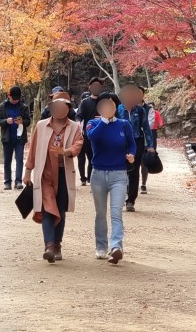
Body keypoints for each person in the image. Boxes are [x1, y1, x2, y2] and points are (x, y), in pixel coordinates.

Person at [24, 91, 84, 263]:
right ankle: (49, 246)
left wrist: (65, 152)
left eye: (62, 106)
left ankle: (57, 244)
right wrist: (28, 171)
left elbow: (78, 144)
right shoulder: (41, 125)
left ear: (68, 108)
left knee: (61, 209)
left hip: (64, 173)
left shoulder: (74, 127)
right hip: (45, 172)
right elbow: (33, 150)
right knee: (47, 208)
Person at [86, 90, 135, 264]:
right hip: (98, 174)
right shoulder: (92, 124)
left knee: (116, 212)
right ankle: (101, 246)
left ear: (116, 106)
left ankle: (116, 247)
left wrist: (131, 155)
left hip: (119, 174)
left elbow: (132, 144)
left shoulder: (124, 124)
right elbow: (93, 138)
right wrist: (104, 120)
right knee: (100, 213)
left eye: (111, 105)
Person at [118, 83, 154, 212]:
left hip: (137, 142)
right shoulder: (117, 109)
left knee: (134, 170)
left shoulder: (140, 110)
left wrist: (150, 145)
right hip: (120, 143)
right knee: (120, 171)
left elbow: (146, 128)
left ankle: (131, 200)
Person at [0, 86, 31, 190]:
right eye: (13, 99)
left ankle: (18, 181)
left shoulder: (23, 107)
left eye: (16, 99)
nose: (14, 101)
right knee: (7, 161)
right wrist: (6, 121)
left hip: (19, 138)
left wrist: (22, 121)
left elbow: (28, 121)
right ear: (8, 96)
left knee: (19, 160)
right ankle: (7, 182)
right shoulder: (3, 106)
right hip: (7, 138)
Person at [76, 78, 104, 186]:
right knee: (83, 157)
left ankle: (91, 178)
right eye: (94, 85)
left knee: (94, 157)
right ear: (90, 87)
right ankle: (83, 177)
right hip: (87, 134)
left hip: (101, 134)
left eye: (98, 86)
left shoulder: (104, 101)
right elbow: (79, 115)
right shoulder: (85, 102)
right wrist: (78, 123)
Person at [141, 100, 159, 193]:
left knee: (144, 162)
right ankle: (131, 184)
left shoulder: (149, 109)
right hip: (133, 139)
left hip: (147, 138)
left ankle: (143, 184)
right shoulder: (127, 107)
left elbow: (150, 124)